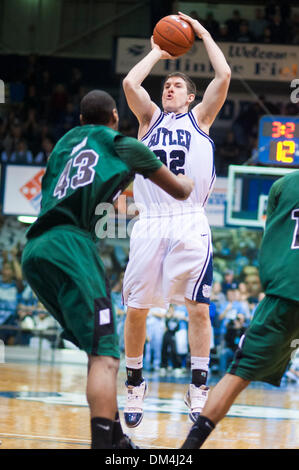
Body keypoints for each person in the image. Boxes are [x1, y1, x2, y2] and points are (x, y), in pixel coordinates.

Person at [21, 89, 194, 450]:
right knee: (106, 357)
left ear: (82, 119)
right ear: (115, 116)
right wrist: (189, 183)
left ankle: (116, 439)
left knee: (95, 348)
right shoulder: (121, 144)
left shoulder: (64, 144)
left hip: (35, 248)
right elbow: (177, 190)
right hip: (71, 246)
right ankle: (104, 449)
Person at [121, 11, 231, 427]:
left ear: (190, 98)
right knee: (136, 310)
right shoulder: (147, 119)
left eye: (178, 85)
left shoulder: (200, 118)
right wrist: (155, 51)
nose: (169, 87)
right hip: (150, 221)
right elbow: (131, 84)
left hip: (189, 219)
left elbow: (224, 75)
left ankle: (198, 387)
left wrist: (201, 33)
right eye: (167, 84)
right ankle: (135, 385)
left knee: (198, 308)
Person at [180, 170, 299, 448]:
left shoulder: (282, 186)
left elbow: (273, 235)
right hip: (285, 290)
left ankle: (188, 449)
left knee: (238, 375)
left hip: (284, 293)